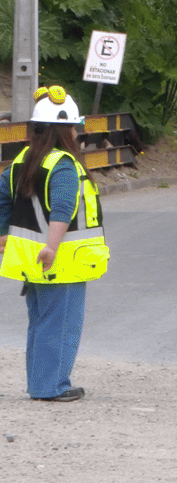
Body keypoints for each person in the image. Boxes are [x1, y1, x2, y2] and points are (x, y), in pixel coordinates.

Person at [0, 90, 103, 400]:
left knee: (41, 324)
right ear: (64, 129)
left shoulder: (22, 160)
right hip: (61, 261)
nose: (76, 132)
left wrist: (3, 230)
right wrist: (53, 247)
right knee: (60, 327)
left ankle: (40, 383)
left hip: (29, 259)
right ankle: (51, 387)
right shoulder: (64, 164)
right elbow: (63, 208)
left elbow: (2, 197)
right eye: (74, 126)